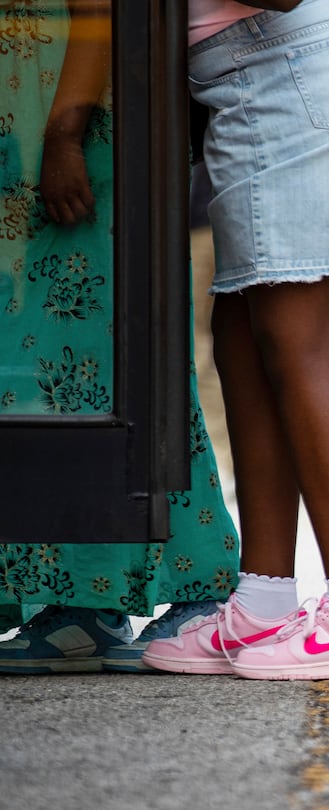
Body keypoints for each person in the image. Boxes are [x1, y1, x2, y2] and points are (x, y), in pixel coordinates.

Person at [141, 0, 329, 680]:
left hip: (286, 81)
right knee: (241, 339)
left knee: (299, 346)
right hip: (253, 86)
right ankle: (264, 598)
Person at [0, 0, 241, 675]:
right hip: (41, 126)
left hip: (74, 129)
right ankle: (80, 600)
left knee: (100, 366)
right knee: (51, 368)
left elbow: (98, 5)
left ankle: (173, 588)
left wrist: (63, 134)